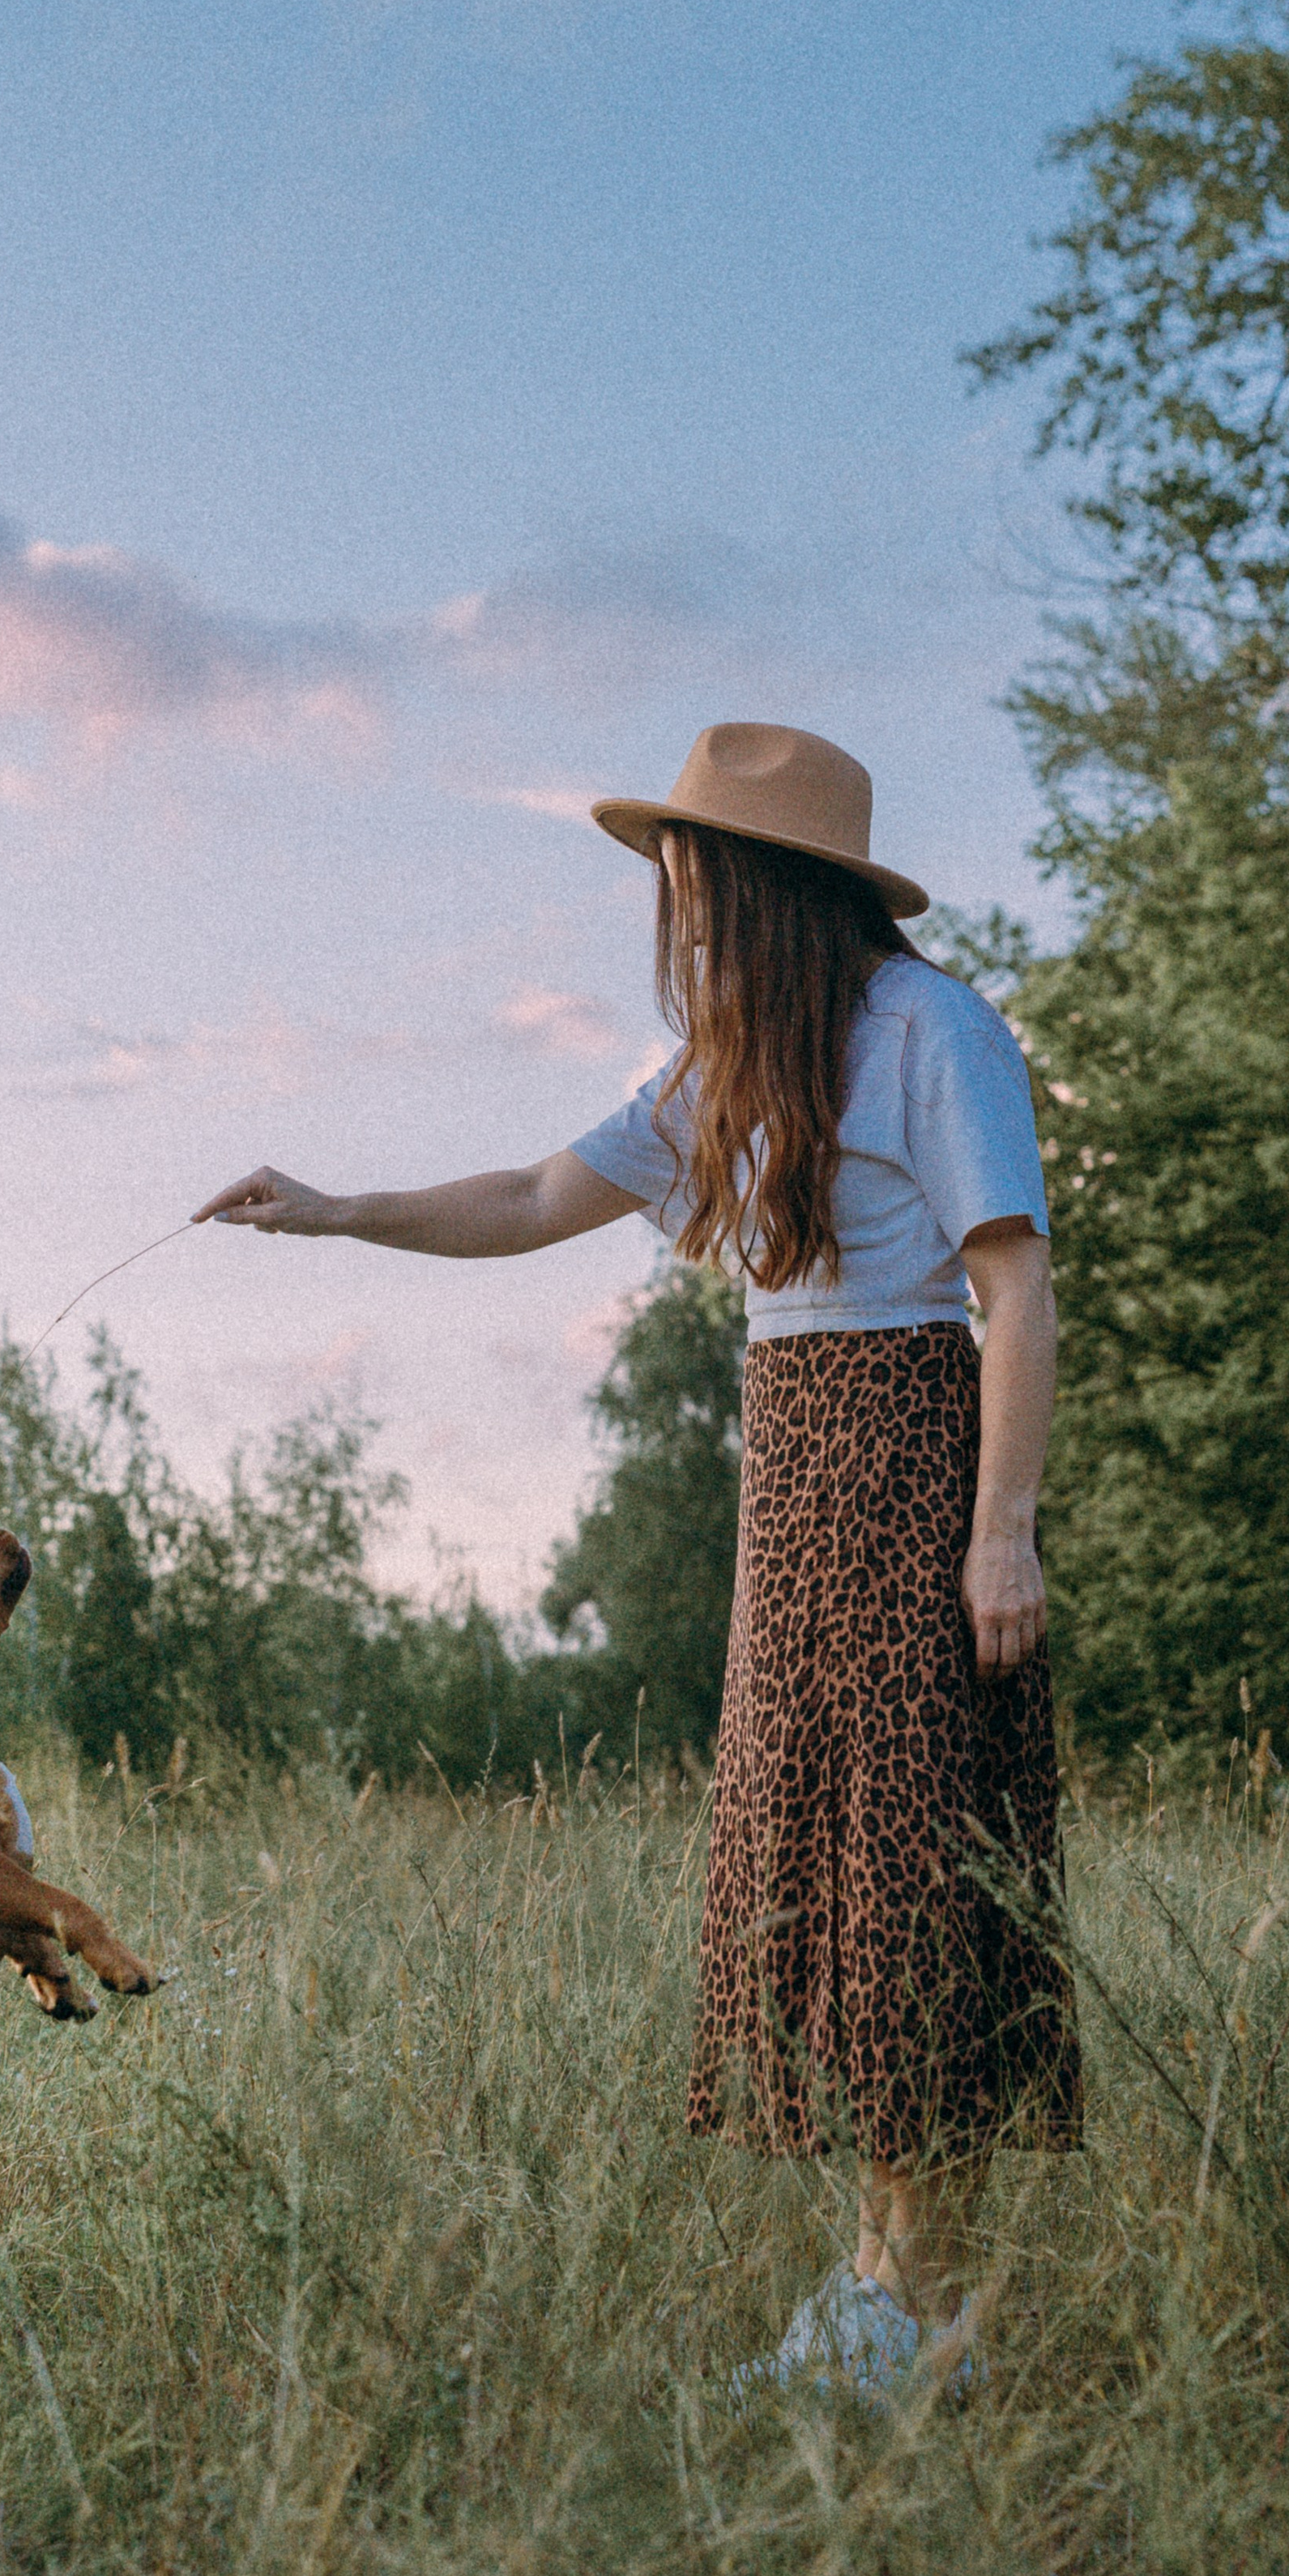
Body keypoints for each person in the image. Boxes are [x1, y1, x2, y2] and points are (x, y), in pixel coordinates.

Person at [194, 720, 1082, 2399]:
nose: (667, 905)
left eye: (686, 875)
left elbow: (1014, 1292)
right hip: (792, 1480)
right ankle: (893, 2291)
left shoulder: (933, 1030)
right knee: (817, 1868)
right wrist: (333, 1208)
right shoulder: (721, 1068)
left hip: (904, 1455)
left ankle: (912, 2305)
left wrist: (1000, 1534)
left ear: (757, 887)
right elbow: (535, 1195)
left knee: (910, 1867)